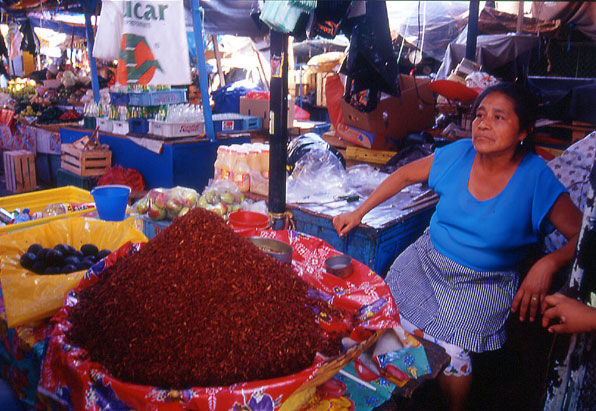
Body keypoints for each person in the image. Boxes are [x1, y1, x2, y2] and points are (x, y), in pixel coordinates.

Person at [332, 82, 582, 410]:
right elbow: (404, 175)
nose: (483, 123)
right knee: (386, 321)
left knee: (452, 354)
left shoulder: (535, 176)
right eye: (479, 115)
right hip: (426, 262)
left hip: (481, 283)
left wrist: (547, 264)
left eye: (498, 117)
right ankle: (384, 393)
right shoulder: (460, 154)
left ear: (523, 131)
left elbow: (584, 236)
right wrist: (358, 211)